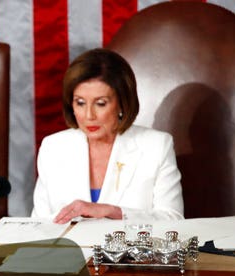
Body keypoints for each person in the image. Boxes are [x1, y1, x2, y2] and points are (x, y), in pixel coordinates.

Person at [31, 48, 184, 224]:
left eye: (100, 103)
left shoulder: (156, 146)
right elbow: (39, 225)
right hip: (69, 251)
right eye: (80, 103)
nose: (89, 115)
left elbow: (174, 220)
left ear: (122, 103)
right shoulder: (53, 147)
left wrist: (113, 212)